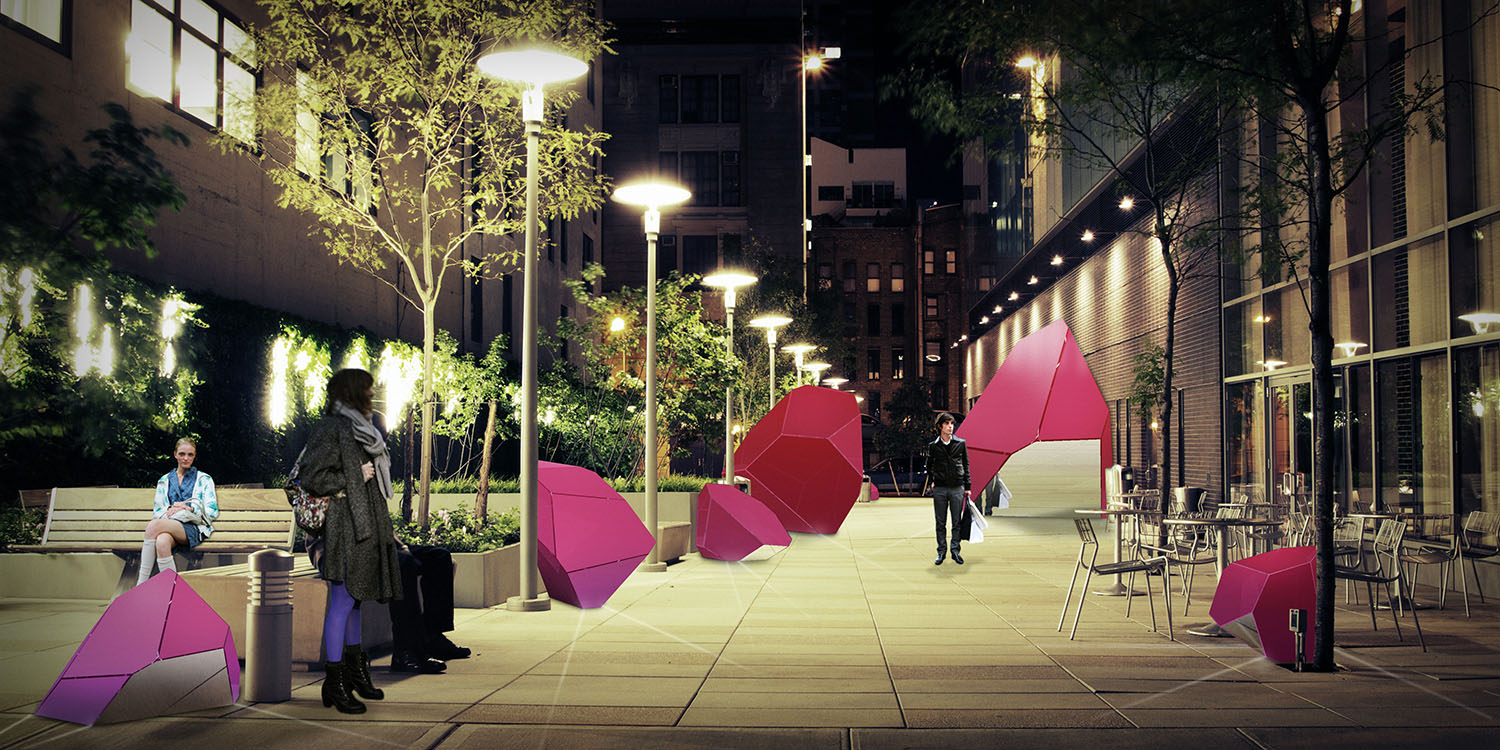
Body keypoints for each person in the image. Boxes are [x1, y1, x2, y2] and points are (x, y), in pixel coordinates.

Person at [297, 368, 402, 714]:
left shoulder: (363, 427)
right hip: (344, 526)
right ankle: (334, 682)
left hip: (367, 523)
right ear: (354, 392)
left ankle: (356, 674)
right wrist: (354, 475)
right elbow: (311, 476)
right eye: (368, 390)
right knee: (342, 600)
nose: (373, 395)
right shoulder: (331, 427)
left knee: (356, 598)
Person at [135, 438, 219, 585]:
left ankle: (140, 584)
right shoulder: (164, 480)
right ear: (175, 454)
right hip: (169, 526)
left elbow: (212, 511)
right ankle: (173, 592)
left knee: (152, 526)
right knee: (161, 541)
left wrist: (189, 508)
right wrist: (171, 509)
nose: (186, 458)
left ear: (194, 455)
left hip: (194, 528)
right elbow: (158, 511)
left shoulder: (204, 479)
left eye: (190, 454)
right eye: (182, 454)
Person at [390, 540, 471, 672]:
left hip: (388, 544)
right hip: (366, 548)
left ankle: (433, 637)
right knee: (405, 563)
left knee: (440, 557)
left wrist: (401, 545)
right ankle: (405, 651)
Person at [927, 413, 971, 566]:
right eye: (947, 424)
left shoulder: (961, 443)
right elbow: (929, 465)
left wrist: (968, 487)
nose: (950, 426)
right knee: (940, 522)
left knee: (956, 522)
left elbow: (966, 465)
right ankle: (941, 552)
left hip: (957, 487)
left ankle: (955, 551)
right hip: (939, 488)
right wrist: (932, 480)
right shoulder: (933, 446)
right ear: (940, 426)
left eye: (952, 423)